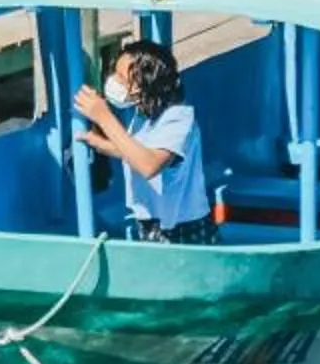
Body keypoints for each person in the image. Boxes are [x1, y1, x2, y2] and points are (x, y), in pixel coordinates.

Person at [73, 38, 216, 245]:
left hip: (181, 227)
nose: (114, 82)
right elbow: (136, 151)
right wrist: (101, 145)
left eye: (122, 78)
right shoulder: (143, 113)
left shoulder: (178, 118)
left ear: (145, 84)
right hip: (150, 220)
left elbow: (149, 164)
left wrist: (104, 117)